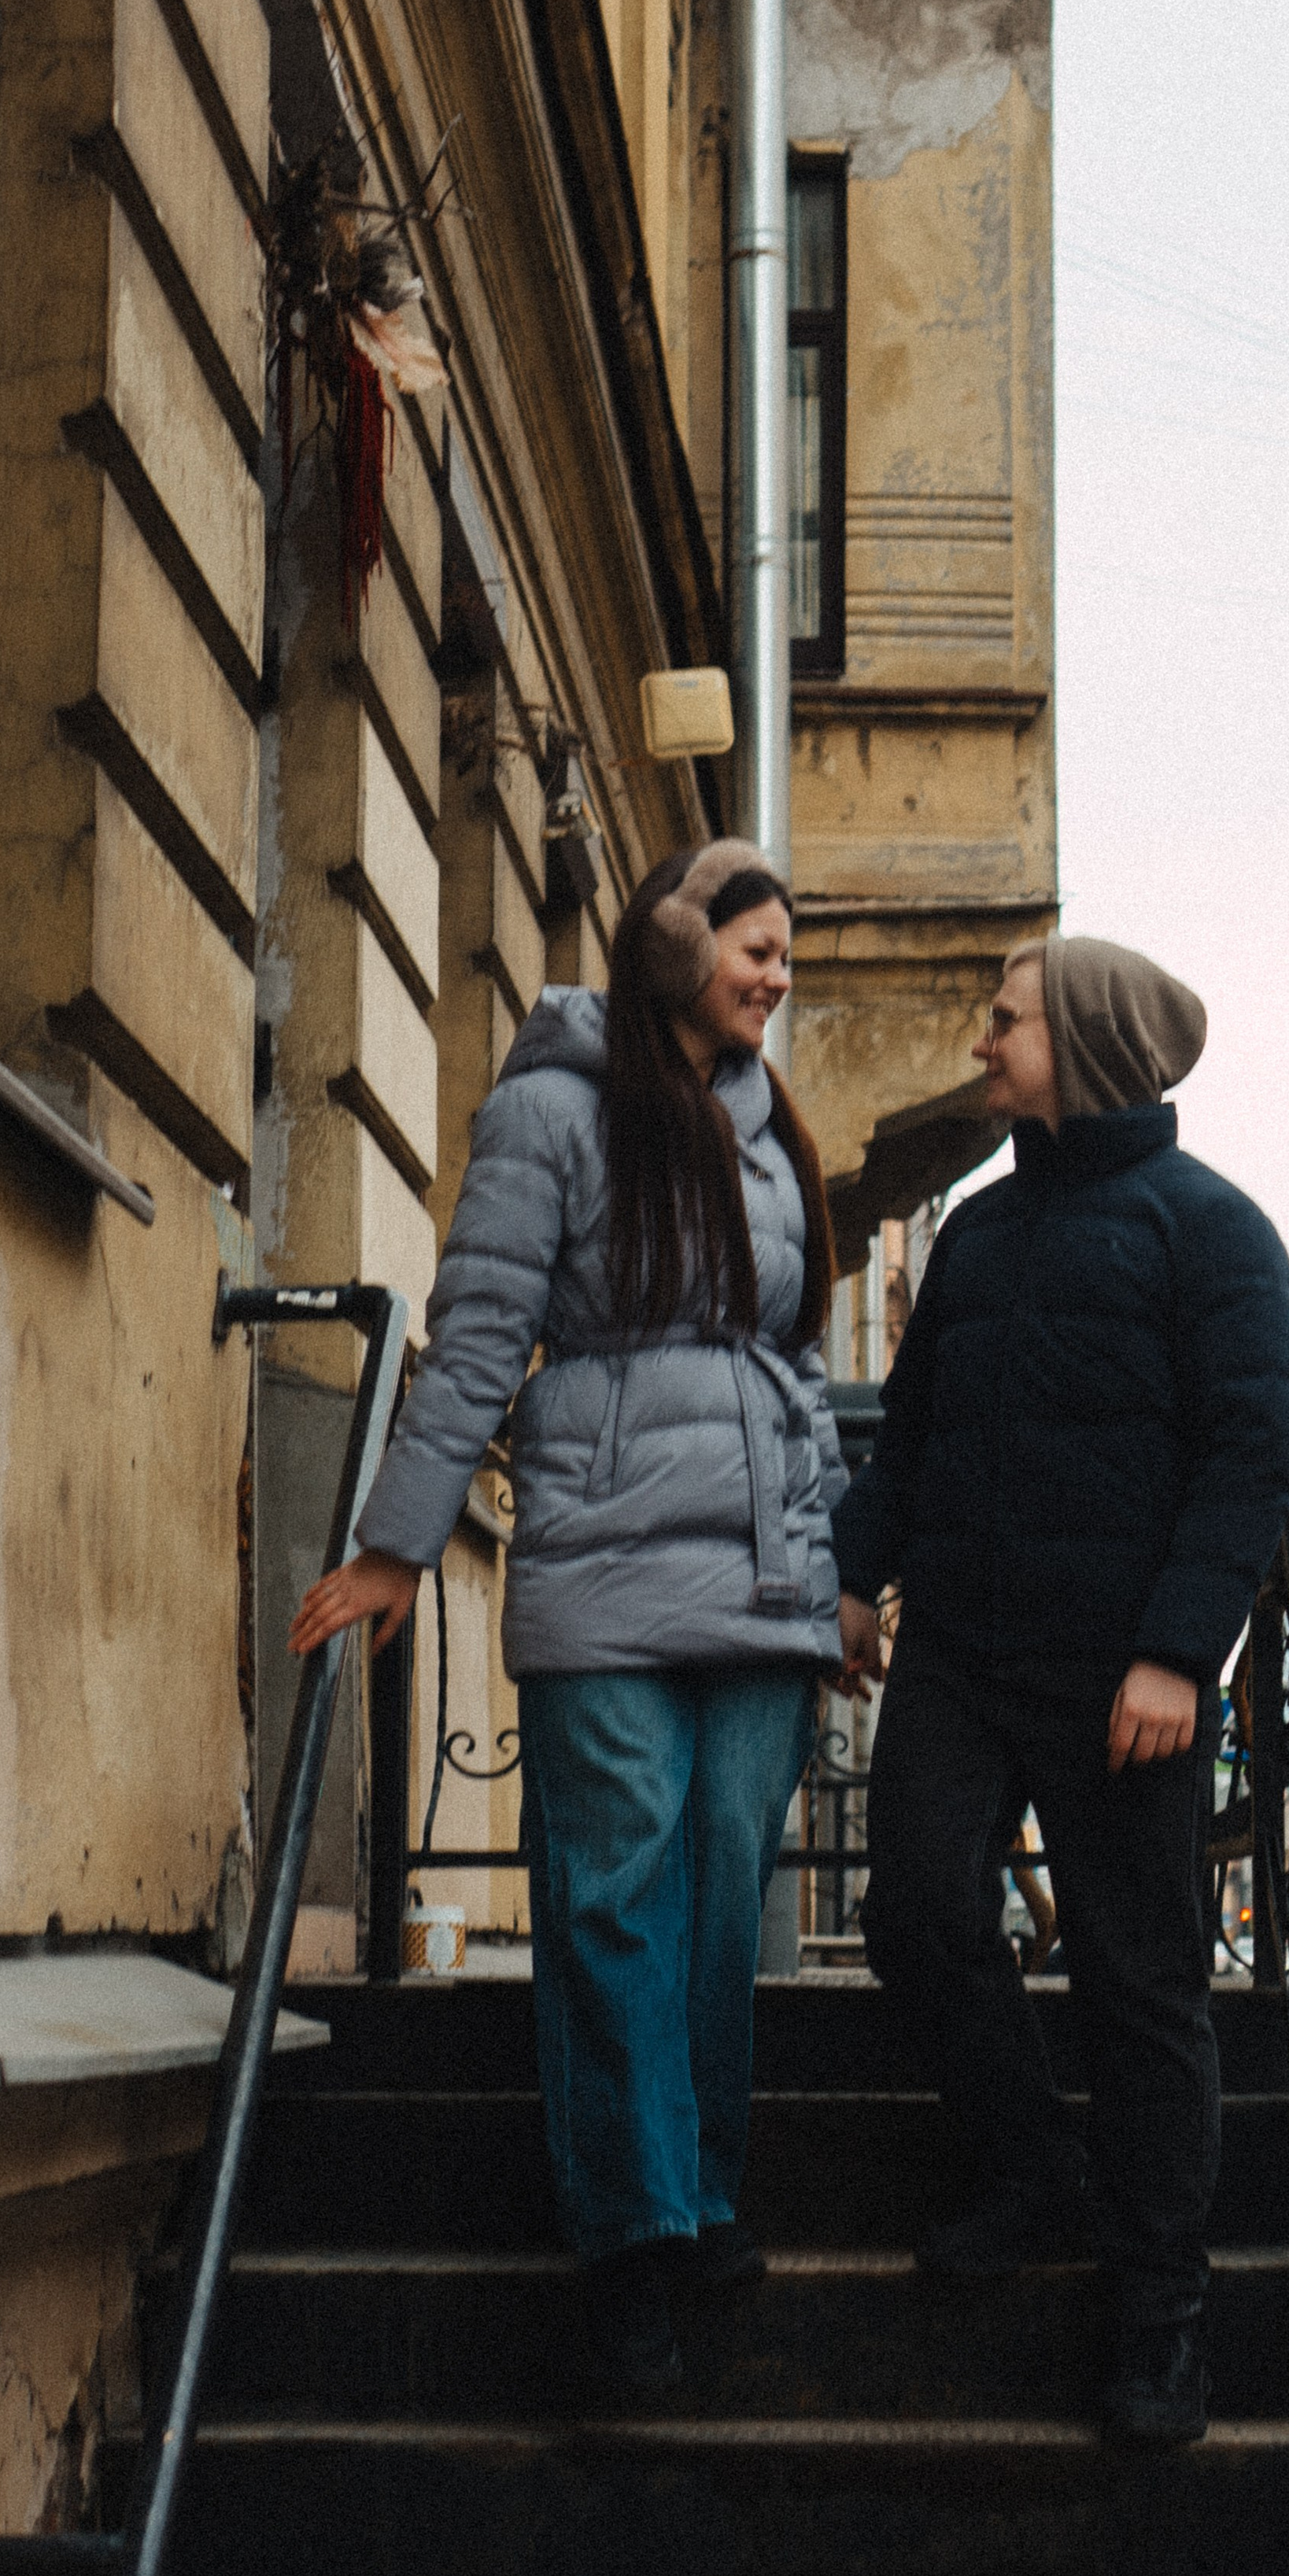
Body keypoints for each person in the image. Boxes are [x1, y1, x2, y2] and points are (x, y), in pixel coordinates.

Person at [289, 840, 847, 2387]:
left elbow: (799, 1360)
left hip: (755, 1586)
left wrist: (828, 1566)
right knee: (614, 1898)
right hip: (604, 1569)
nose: (774, 971)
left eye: (787, 951)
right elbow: (475, 1339)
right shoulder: (551, 1109)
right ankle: (632, 2249)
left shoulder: (767, 1129)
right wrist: (399, 1542)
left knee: (725, 1900)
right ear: (673, 942)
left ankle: (700, 2193)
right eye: (753, 943)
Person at [832, 932, 1289, 2448]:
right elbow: (905, 1436)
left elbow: (1249, 1460)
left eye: (1007, 1022)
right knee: (914, 1910)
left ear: (1082, 1041)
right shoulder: (974, 1233)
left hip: (1122, 1679)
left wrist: (1181, 1651)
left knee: (1140, 1985)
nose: (983, 1042)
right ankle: (1033, 2169)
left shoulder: (1213, 1233)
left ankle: (1160, 2312)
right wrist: (854, 1572)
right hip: (961, 1655)